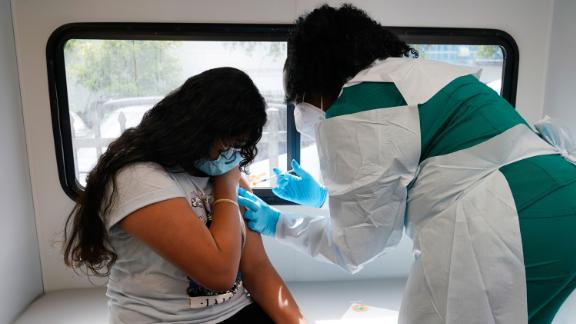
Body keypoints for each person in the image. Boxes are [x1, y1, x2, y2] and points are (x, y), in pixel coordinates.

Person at [237, 4, 576, 324]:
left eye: (299, 99)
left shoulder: (353, 109)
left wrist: (279, 224)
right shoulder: (419, 76)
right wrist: (325, 199)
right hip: (563, 203)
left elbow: (356, 248)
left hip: (511, 223)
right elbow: (430, 182)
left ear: (315, 79)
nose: (301, 113)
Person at [63, 67, 304, 324]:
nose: (229, 156)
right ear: (194, 130)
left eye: (236, 146)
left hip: (235, 312)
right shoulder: (136, 177)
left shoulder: (228, 176)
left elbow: (257, 269)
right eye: (224, 144)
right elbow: (219, 274)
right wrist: (226, 188)